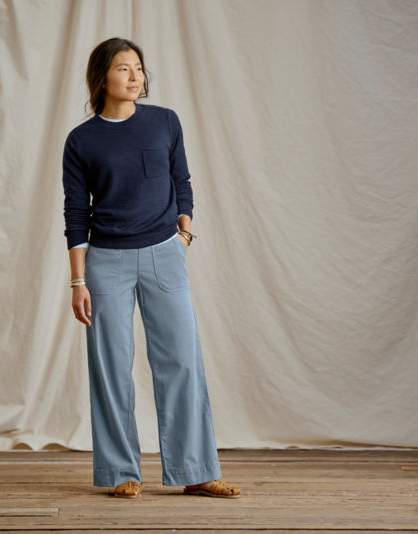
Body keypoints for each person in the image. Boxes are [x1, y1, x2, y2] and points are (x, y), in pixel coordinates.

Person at [61, 37, 241, 499]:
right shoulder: (81, 140)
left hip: (164, 252)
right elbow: (76, 214)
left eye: (139, 68)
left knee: (181, 360)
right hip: (105, 263)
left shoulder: (165, 121)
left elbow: (181, 179)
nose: (136, 76)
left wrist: (182, 232)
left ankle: (197, 471)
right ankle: (123, 472)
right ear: (102, 78)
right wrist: (78, 279)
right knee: (112, 367)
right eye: (124, 69)